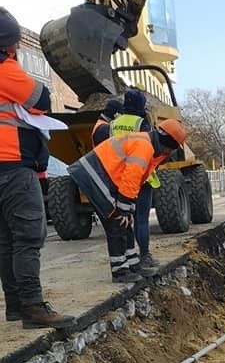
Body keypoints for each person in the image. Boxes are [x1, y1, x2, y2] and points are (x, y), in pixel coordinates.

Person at [0, 4, 73, 329]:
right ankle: (33, 307)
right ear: (1, 41)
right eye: (13, 41)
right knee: (29, 236)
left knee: (8, 238)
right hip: (12, 163)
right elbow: (42, 98)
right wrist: (12, 63)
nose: (18, 46)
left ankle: (15, 305)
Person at [67, 119, 186, 283]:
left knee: (124, 222)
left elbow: (135, 183)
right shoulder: (145, 147)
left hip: (102, 175)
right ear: (169, 144)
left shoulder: (148, 146)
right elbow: (131, 178)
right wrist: (123, 210)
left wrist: (128, 210)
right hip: (94, 175)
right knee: (116, 221)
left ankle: (132, 264)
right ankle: (119, 271)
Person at [110, 88, 160, 273]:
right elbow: (150, 149)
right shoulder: (142, 123)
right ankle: (144, 255)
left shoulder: (114, 123)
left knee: (124, 219)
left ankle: (127, 257)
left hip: (120, 177)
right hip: (140, 177)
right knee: (141, 219)